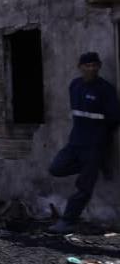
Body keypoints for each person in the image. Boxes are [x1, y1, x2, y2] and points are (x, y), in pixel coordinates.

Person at [47, 51, 119, 233]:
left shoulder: (105, 89)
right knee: (56, 168)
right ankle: (93, 166)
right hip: (75, 142)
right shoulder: (75, 86)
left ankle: (68, 221)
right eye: (87, 65)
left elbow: (114, 118)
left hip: (95, 145)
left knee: (84, 187)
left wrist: (101, 138)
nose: (91, 68)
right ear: (80, 67)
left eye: (95, 65)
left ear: (99, 67)